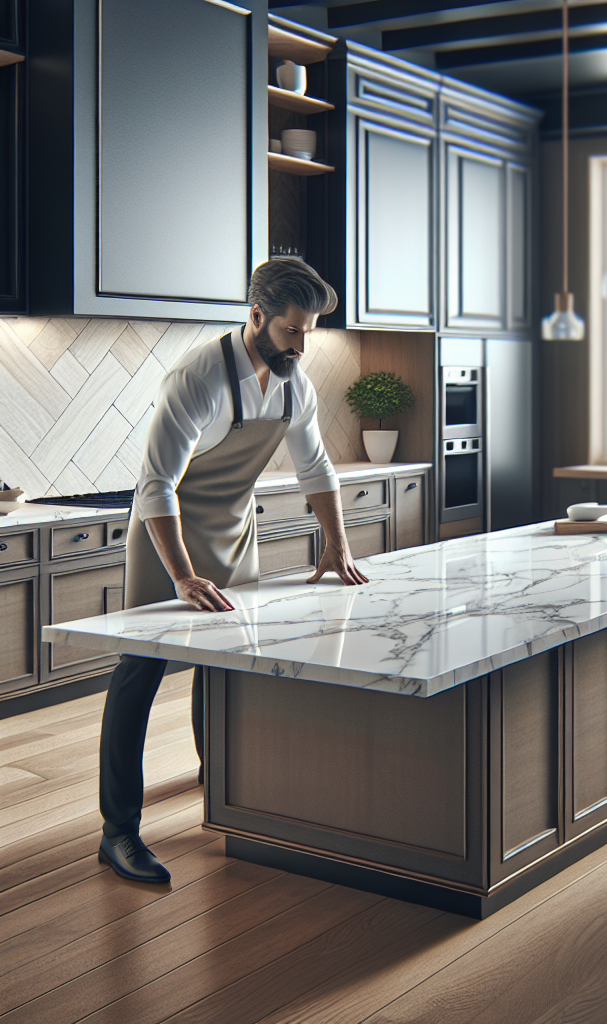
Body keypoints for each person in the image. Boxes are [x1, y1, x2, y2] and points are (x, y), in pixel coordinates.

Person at [97, 258, 369, 883]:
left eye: (310, 332)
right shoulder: (197, 378)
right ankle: (118, 831)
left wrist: (337, 543)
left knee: (227, 662)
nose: (302, 345)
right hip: (168, 538)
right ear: (257, 317)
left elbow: (315, 467)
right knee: (142, 669)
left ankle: (218, 778)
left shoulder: (294, 382)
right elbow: (156, 485)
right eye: (294, 331)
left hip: (233, 528)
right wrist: (184, 577)